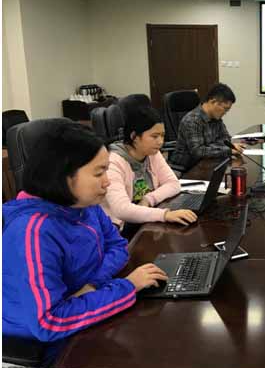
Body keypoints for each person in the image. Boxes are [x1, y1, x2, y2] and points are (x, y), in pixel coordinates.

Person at [2, 122, 168, 344]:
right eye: (99, 172)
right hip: (40, 343)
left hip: (85, 306)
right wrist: (128, 286)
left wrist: (92, 285)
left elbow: (118, 245)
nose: (107, 181)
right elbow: (48, 322)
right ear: (62, 176)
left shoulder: (84, 204)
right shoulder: (33, 232)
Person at [101, 106, 197, 231]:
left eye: (162, 136)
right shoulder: (113, 162)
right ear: (134, 136)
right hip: (122, 227)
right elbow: (121, 209)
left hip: (146, 216)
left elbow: (173, 184)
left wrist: (148, 199)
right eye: (154, 136)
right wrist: (164, 215)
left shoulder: (152, 152)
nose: (160, 142)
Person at [170, 82, 245, 171]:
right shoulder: (192, 120)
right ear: (213, 102)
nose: (225, 113)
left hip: (207, 163)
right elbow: (198, 152)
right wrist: (228, 150)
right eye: (225, 109)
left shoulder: (216, 118)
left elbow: (226, 140)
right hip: (185, 168)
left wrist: (210, 148)